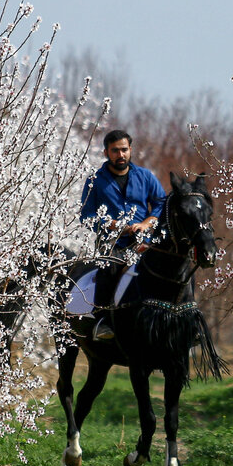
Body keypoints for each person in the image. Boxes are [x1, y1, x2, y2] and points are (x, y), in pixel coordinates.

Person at [80, 129, 166, 340]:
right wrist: (116, 226)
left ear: (131, 150)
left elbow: (161, 203)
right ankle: (103, 321)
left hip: (145, 242)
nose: (121, 155)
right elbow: (87, 215)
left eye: (124, 150)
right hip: (112, 245)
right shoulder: (95, 180)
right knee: (108, 272)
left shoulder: (145, 176)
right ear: (106, 153)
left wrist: (146, 224)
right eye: (115, 151)